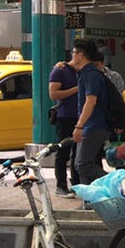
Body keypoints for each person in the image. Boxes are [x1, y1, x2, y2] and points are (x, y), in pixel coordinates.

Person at [70, 38, 111, 185]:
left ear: (81, 55)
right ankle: (89, 199)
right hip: (90, 125)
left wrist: (79, 125)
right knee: (79, 164)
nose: (72, 56)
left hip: (95, 125)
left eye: (73, 53)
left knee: (83, 164)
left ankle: (119, 183)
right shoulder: (84, 72)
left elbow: (91, 101)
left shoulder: (91, 74)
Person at [48, 55, 81, 197]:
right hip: (65, 117)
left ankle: (77, 184)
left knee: (78, 153)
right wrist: (77, 89)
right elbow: (53, 94)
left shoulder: (84, 71)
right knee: (63, 152)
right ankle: (61, 185)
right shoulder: (60, 70)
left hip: (81, 118)